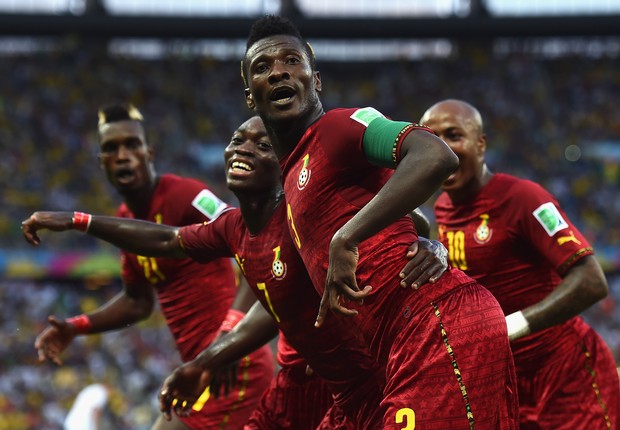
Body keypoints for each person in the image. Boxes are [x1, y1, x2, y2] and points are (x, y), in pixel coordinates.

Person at [22, 116, 448, 429]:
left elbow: (414, 217)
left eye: (261, 145)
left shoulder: (296, 212)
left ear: (284, 165)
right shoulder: (233, 228)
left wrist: (432, 245)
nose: (243, 148)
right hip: (291, 376)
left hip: (341, 379)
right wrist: (80, 221)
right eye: (237, 139)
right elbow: (166, 245)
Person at [238, 14, 518, 429]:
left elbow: (434, 155)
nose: (279, 70)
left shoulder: (338, 127)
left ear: (315, 80)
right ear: (251, 97)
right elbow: (416, 223)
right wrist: (430, 245)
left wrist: (347, 236)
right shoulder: (296, 177)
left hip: (436, 326)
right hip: (399, 348)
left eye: (291, 60)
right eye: (263, 66)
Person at [30, 104, 275, 430]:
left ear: (149, 152)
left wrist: (227, 337)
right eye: (111, 148)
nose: (122, 154)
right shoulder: (126, 220)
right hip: (200, 369)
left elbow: (252, 249)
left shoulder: (187, 195)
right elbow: (137, 301)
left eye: (132, 144)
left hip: (232, 366)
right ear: (101, 162)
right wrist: (76, 326)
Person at [423, 98, 620, 428]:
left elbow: (591, 280)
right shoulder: (442, 208)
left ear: (481, 144)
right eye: (431, 138)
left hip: (565, 374)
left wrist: (509, 327)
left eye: (454, 135)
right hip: (507, 380)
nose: (443, 148)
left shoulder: (523, 197)